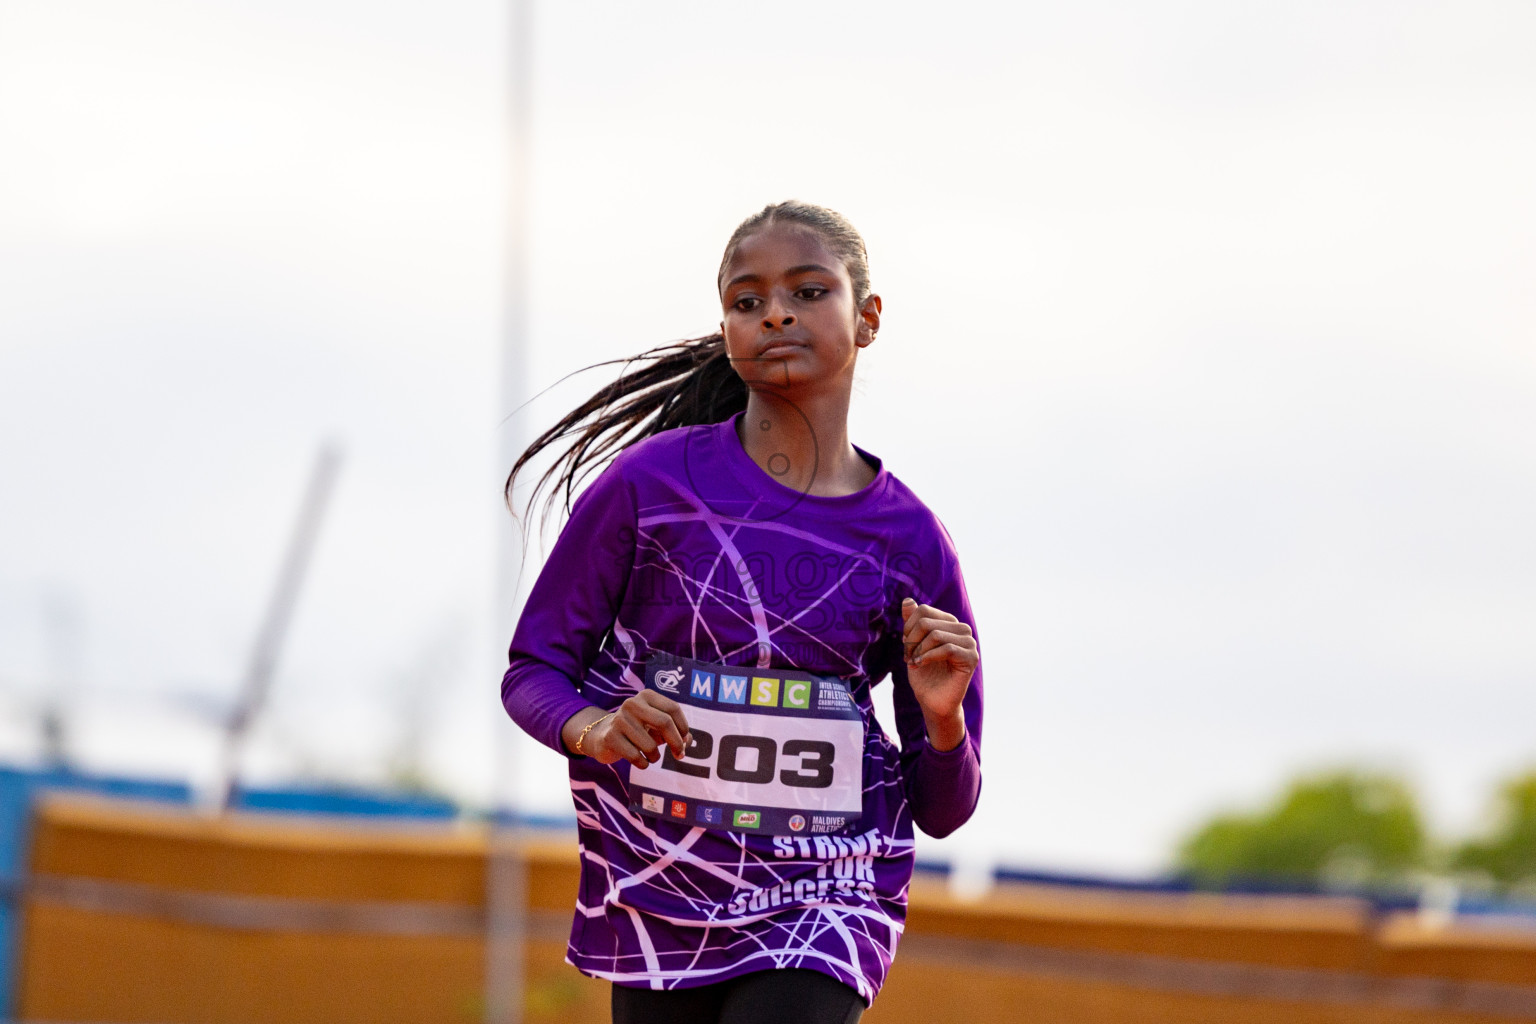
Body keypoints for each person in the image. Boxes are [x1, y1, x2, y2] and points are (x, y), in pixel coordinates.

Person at [500, 200, 983, 1024]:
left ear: (867, 318)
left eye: (808, 291)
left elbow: (943, 809)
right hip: (666, 885)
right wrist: (595, 727)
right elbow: (534, 669)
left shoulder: (910, 539)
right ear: (726, 325)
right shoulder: (650, 486)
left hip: (828, 891)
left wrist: (942, 723)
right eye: (747, 301)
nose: (777, 313)